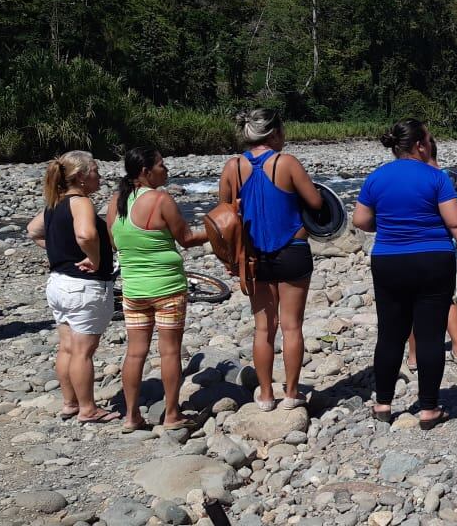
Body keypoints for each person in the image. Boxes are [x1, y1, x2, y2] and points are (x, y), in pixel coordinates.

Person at [352, 119, 457, 430]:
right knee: (430, 336)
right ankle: (428, 409)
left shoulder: (377, 177)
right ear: (421, 145)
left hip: (389, 260)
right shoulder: (436, 178)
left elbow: (360, 220)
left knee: (390, 334)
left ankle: (383, 403)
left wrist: (388, 226)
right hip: (432, 259)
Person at [218, 109, 323, 411]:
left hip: (253, 256)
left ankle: (265, 395)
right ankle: (291, 394)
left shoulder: (233, 167)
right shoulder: (286, 162)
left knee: (264, 328)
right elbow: (316, 203)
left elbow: (224, 214)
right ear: (275, 132)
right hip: (292, 249)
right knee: (292, 326)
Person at [107, 147, 208, 432]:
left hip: (134, 290)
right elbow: (187, 239)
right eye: (162, 165)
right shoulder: (161, 199)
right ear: (145, 172)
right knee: (170, 352)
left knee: (135, 352)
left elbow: (114, 243)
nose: (167, 169)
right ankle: (172, 414)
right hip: (167, 288)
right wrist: (218, 229)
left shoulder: (116, 202)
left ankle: (131, 416)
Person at [26, 151, 120, 424]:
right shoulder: (81, 202)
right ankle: (88, 409)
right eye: (96, 171)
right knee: (83, 351)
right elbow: (86, 234)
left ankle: (70, 403)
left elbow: (33, 231)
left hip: (58, 284)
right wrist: (94, 258)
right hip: (83, 287)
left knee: (67, 348)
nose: (99, 177)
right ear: (81, 176)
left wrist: (57, 251)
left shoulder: (54, 204)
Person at [406, 137, 457, 371]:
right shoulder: (452, 177)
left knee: (412, 302)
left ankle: (413, 356)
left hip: (412, 246)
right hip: (446, 247)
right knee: (448, 298)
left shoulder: (410, 177)